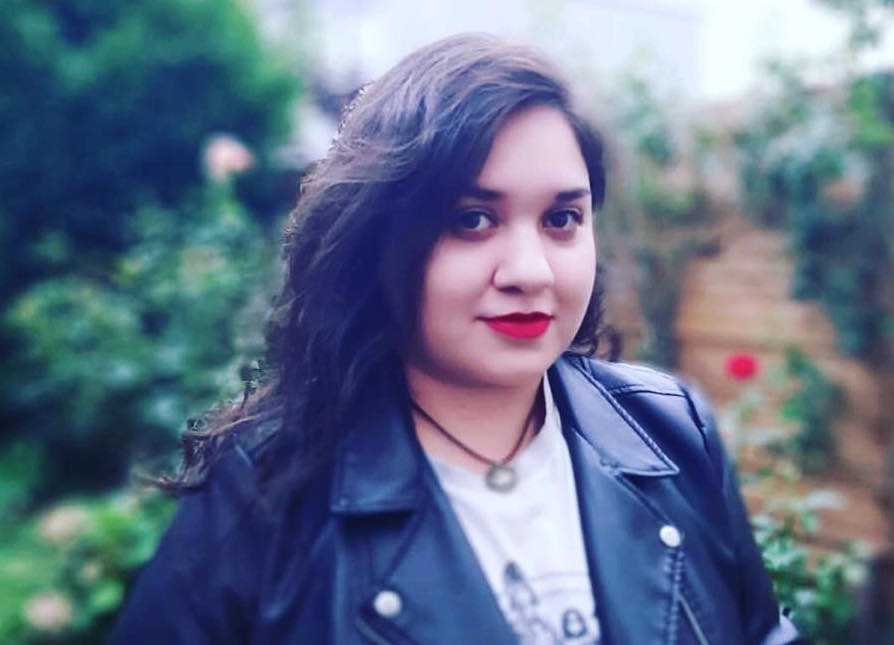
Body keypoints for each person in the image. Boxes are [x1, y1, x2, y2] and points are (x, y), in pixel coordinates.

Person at [110, 33, 802, 644]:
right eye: (472, 219)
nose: (531, 271)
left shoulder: (670, 431)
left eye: (562, 218)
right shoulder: (263, 490)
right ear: (377, 237)